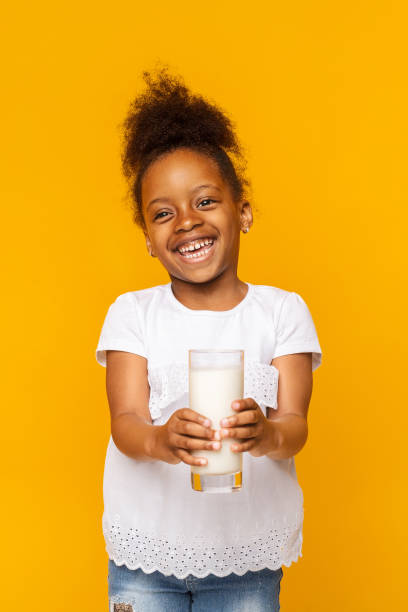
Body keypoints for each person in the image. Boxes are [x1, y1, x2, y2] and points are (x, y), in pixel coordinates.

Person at [95, 65, 322, 612]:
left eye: (205, 201)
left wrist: (265, 434)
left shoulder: (283, 312)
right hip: (146, 549)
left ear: (242, 211)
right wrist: (160, 440)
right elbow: (125, 424)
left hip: (244, 553)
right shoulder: (134, 314)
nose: (187, 223)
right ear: (149, 239)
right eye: (163, 214)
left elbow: (295, 427)